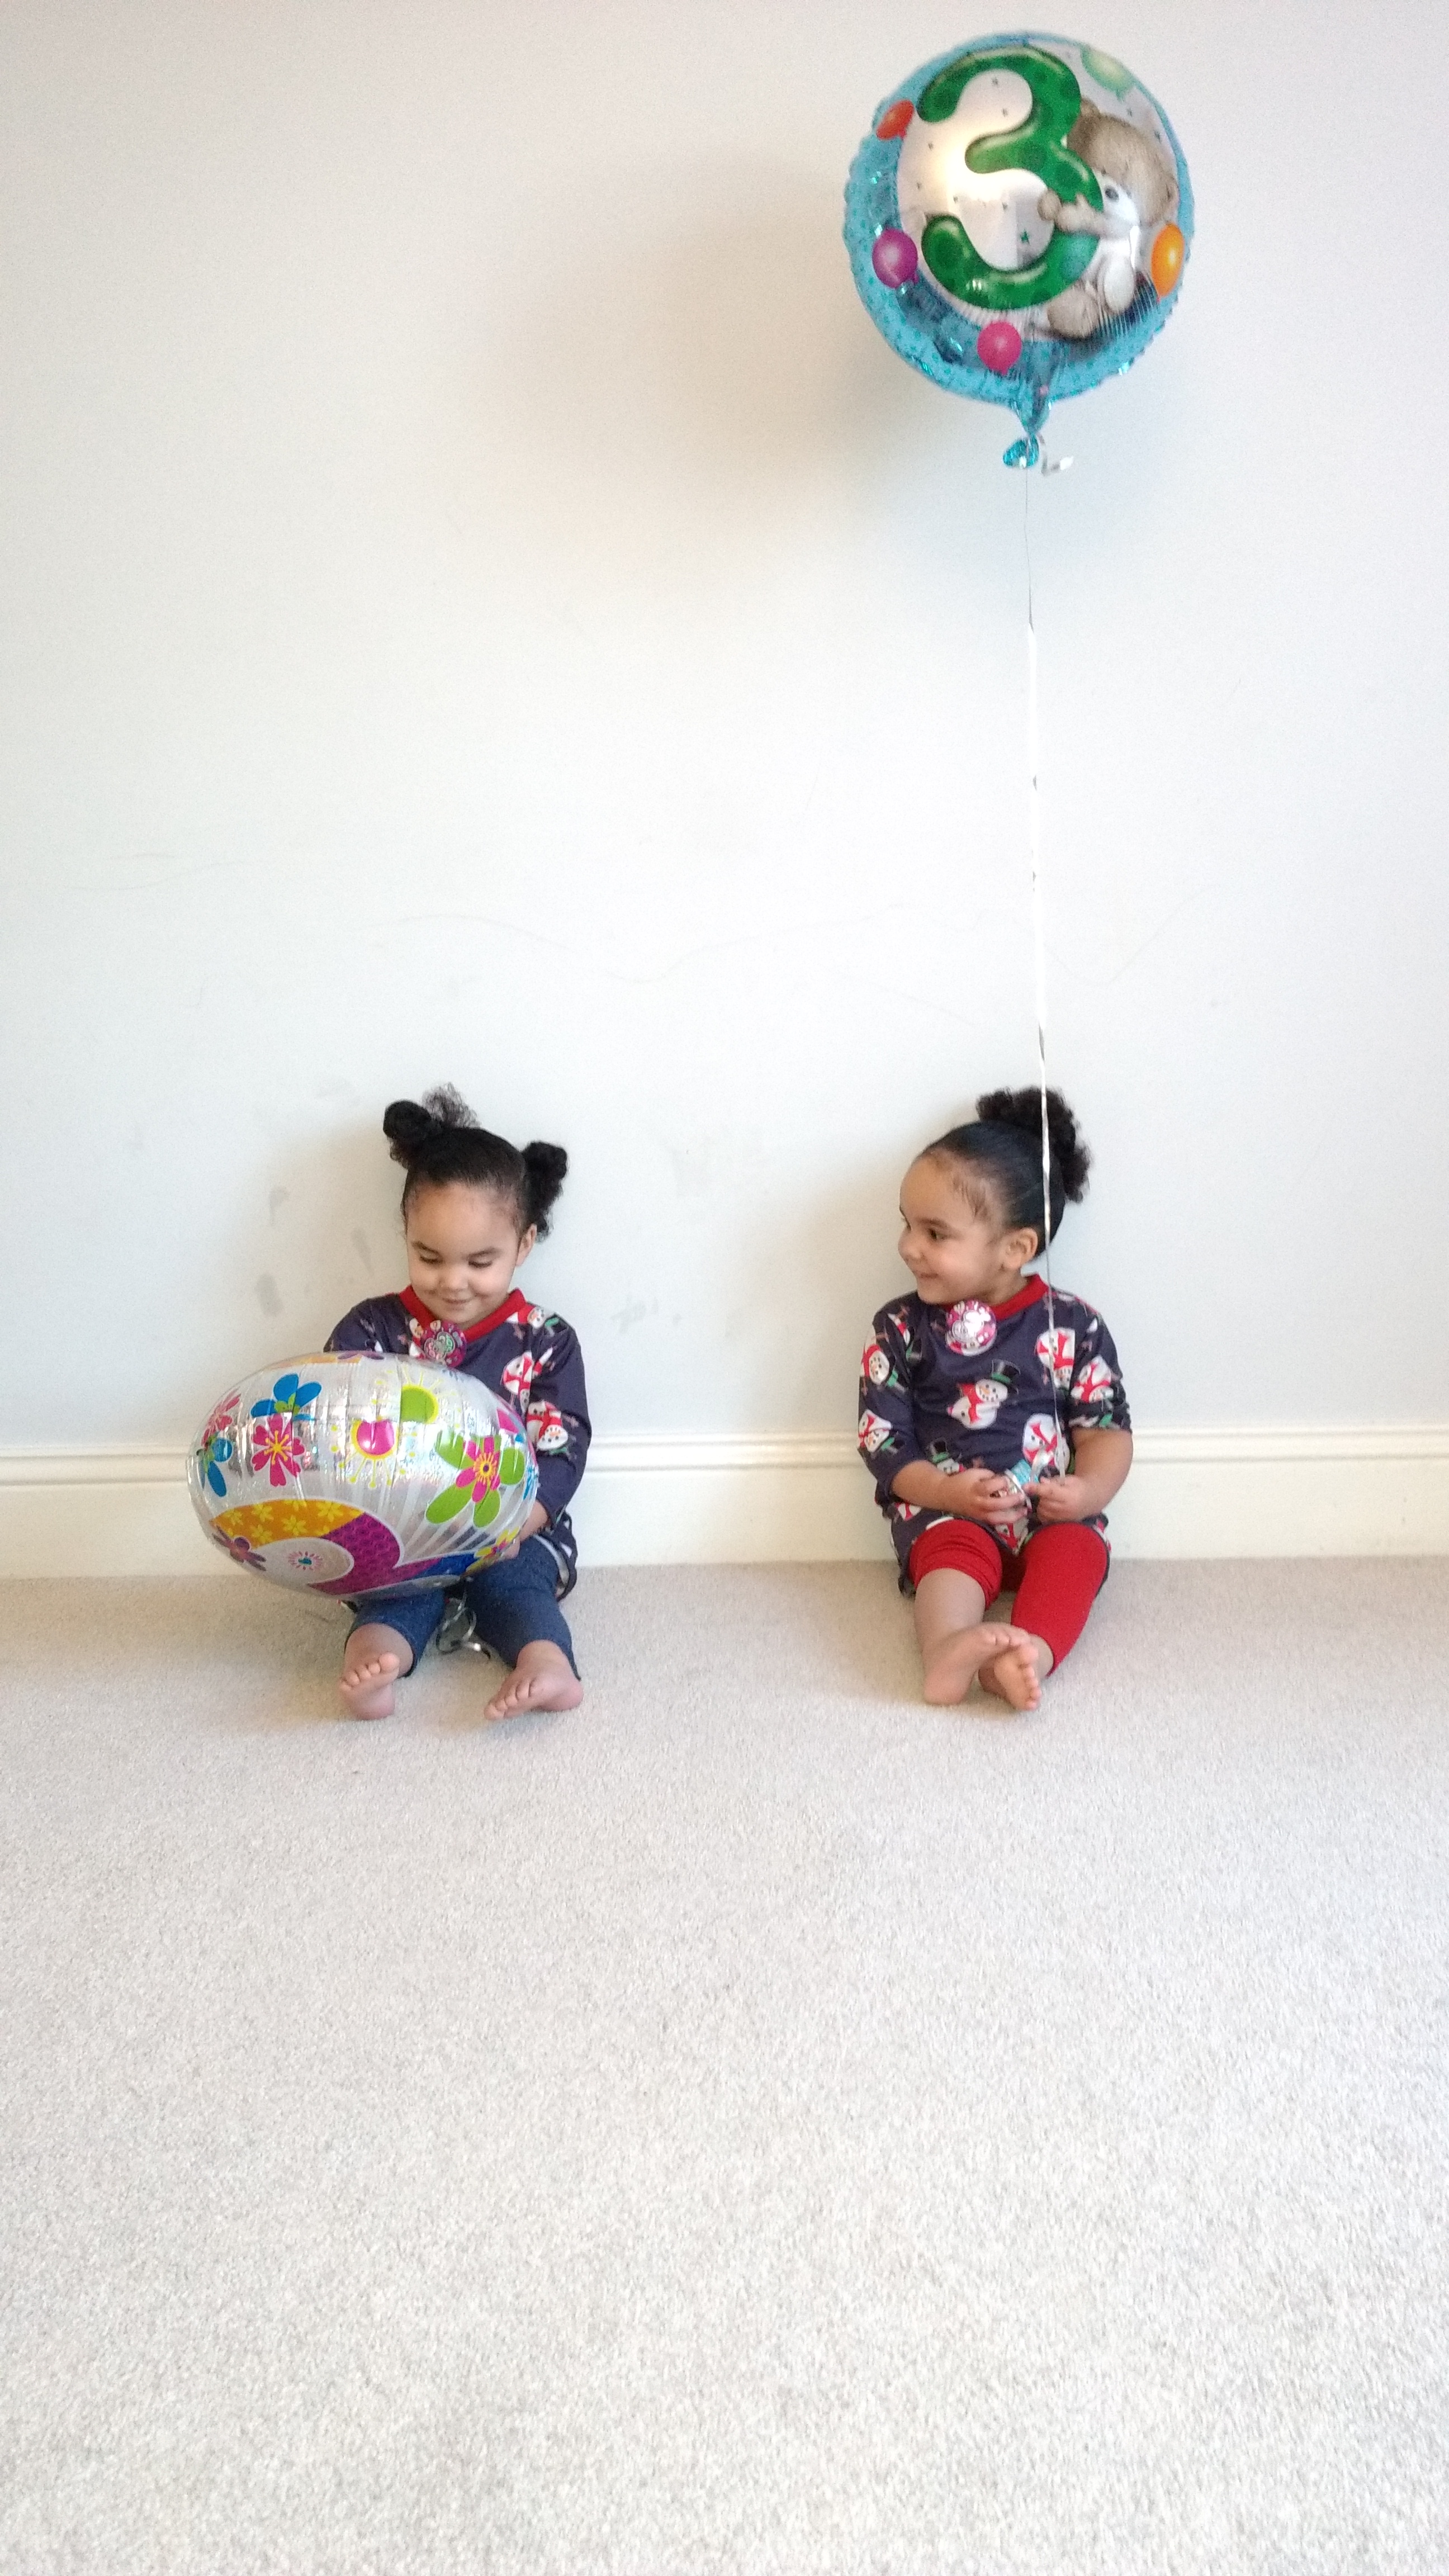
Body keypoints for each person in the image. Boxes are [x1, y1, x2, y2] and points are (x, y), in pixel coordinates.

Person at [859, 1088, 1131, 1713]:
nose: (908, 1247)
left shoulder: (1073, 1326)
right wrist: (947, 1492)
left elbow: (1105, 1431)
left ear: (1016, 1249)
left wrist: (1087, 1493)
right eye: (907, 1223)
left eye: (935, 1233)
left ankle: (1029, 1654)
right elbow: (883, 1444)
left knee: (1079, 1549)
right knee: (951, 1551)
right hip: (948, 1511)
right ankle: (948, 1650)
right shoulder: (900, 1329)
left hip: (1049, 1513)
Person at [327, 1087, 589, 1722]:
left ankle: (546, 1663)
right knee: (393, 1594)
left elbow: (564, 1445)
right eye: (429, 1257)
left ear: (523, 1244)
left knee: (517, 1589)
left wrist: (521, 1522)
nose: (453, 1281)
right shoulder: (373, 1331)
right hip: (404, 1535)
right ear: (407, 1235)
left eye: (480, 1261)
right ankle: (377, 1660)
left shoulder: (546, 1341)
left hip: (515, 1533)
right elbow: (331, 1426)